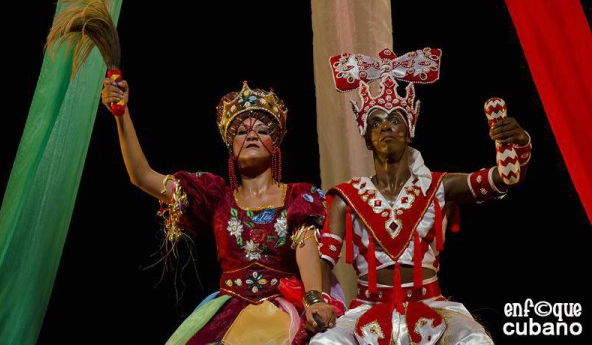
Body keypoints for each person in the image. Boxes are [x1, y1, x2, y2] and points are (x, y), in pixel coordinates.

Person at [311, 47, 532, 344]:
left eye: (395, 120)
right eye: (375, 121)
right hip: (367, 308)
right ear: (366, 137)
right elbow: (324, 260)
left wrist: (518, 144)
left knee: (476, 341)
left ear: (410, 129)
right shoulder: (345, 196)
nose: (386, 126)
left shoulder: (440, 185)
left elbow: (503, 180)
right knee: (324, 343)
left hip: (433, 306)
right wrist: (320, 300)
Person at [101, 79, 339, 344]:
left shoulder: (298, 197)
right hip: (228, 314)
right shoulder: (215, 197)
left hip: (284, 312)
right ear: (230, 146)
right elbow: (142, 176)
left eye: (262, 130)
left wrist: (314, 300)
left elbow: (306, 248)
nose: (251, 135)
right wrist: (121, 116)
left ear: (276, 143)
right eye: (241, 131)